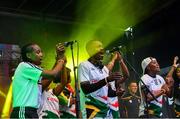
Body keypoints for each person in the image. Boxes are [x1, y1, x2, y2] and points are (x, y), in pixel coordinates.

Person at [10, 43, 66, 118]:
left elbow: (50, 78)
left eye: (41, 52)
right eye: (38, 52)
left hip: (32, 112)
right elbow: (53, 74)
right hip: (24, 111)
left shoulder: (31, 74)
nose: (41, 54)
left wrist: (58, 59)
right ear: (28, 55)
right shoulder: (25, 66)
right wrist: (61, 60)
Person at [78, 39, 128, 118]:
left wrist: (116, 93)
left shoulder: (104, 69)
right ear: (90, 50)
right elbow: (86, 89)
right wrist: (106, 80)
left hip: (106, 110)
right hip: (92, 110)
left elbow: (107, 92)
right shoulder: (84, 65)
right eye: (98, 47)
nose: (102, 49)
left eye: (102, 47)